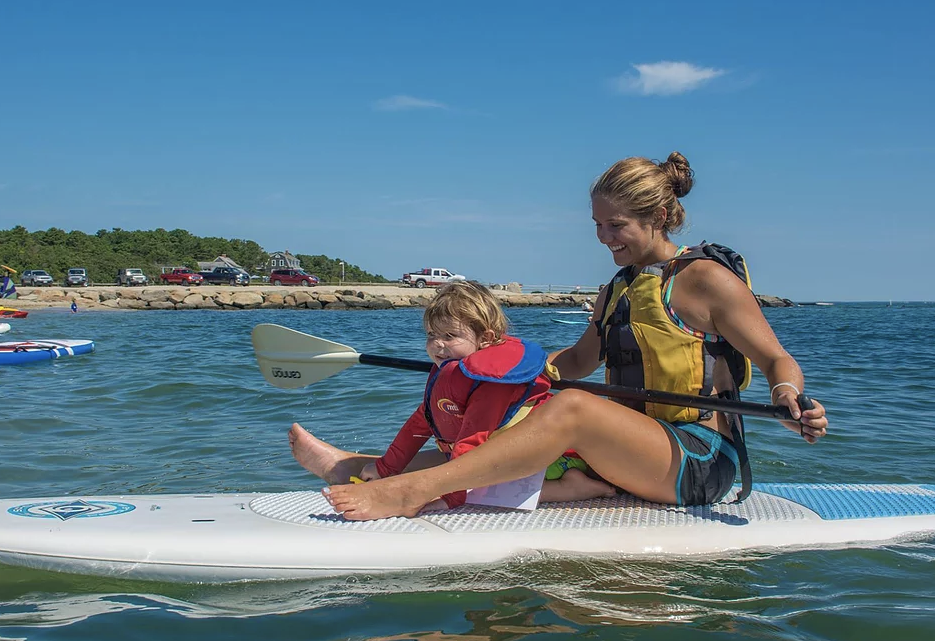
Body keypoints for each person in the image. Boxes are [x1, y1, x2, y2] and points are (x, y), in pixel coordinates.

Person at [324, 151, 829, 520]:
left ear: (656, 217)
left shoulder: (704, 279)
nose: (603, 238)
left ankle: (408, 493)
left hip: (695, 459)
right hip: (627, 453)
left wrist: (789, 397)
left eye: (615, 225)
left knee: (570, 410)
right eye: (597, 224)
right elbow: (580, 361)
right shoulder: (618, 288)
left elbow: (775, 361)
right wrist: (502, 373)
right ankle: (369, 469)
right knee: (509, 417)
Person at [289, 280, 616, 509]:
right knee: (458, 466)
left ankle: (572, 488)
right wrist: (387, 467)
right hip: (511, 457)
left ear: (486, 339)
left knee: (483, 482)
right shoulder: (453, 373)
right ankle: (354, 467)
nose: (438, 345)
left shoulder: (492, 383)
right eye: (432, 335)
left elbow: (473, 442)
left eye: (450, 336)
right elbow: (421, 423)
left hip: (553, 462)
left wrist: (449, 496)